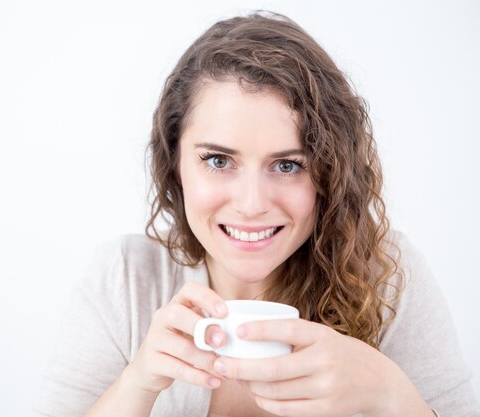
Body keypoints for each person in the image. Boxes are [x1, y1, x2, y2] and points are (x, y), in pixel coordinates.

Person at [33, 12, 479, 417]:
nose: (250, 204)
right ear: (175, 164)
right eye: (218, 160)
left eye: (287, 165)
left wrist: (388, 393)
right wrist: (140, 383)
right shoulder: (126, 280)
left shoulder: (386, 278)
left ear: (330, 173)